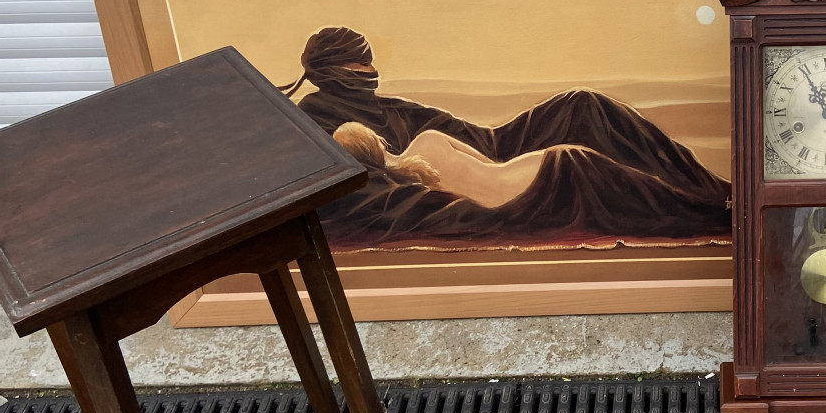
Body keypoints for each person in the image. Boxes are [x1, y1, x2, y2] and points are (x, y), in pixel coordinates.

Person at [285, 26, 731, 249]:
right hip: (482, 189)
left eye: (368, 63)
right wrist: (460, 201)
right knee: (575, 165)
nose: (369, 73)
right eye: (358, 66)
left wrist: (505, 151)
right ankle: (713, 214)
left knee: (583, 105)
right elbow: (366, 195)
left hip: (491, 159)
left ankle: (719, 194)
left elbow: (482, 141)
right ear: (331, 71)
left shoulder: (390, 109)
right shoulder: (317, 123)